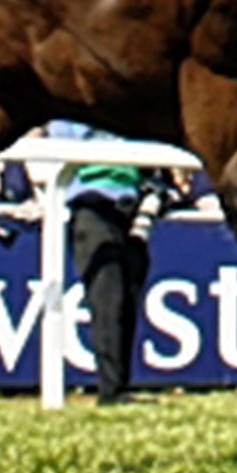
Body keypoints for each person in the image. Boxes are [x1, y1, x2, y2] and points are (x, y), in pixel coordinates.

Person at [51, 120, 158, 405]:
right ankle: (110, 390)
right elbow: (61, 145)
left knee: (128, 300)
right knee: (107, 302)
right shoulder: (69, 114)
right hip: (92, 206)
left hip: (130, 207)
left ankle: (120, 385)